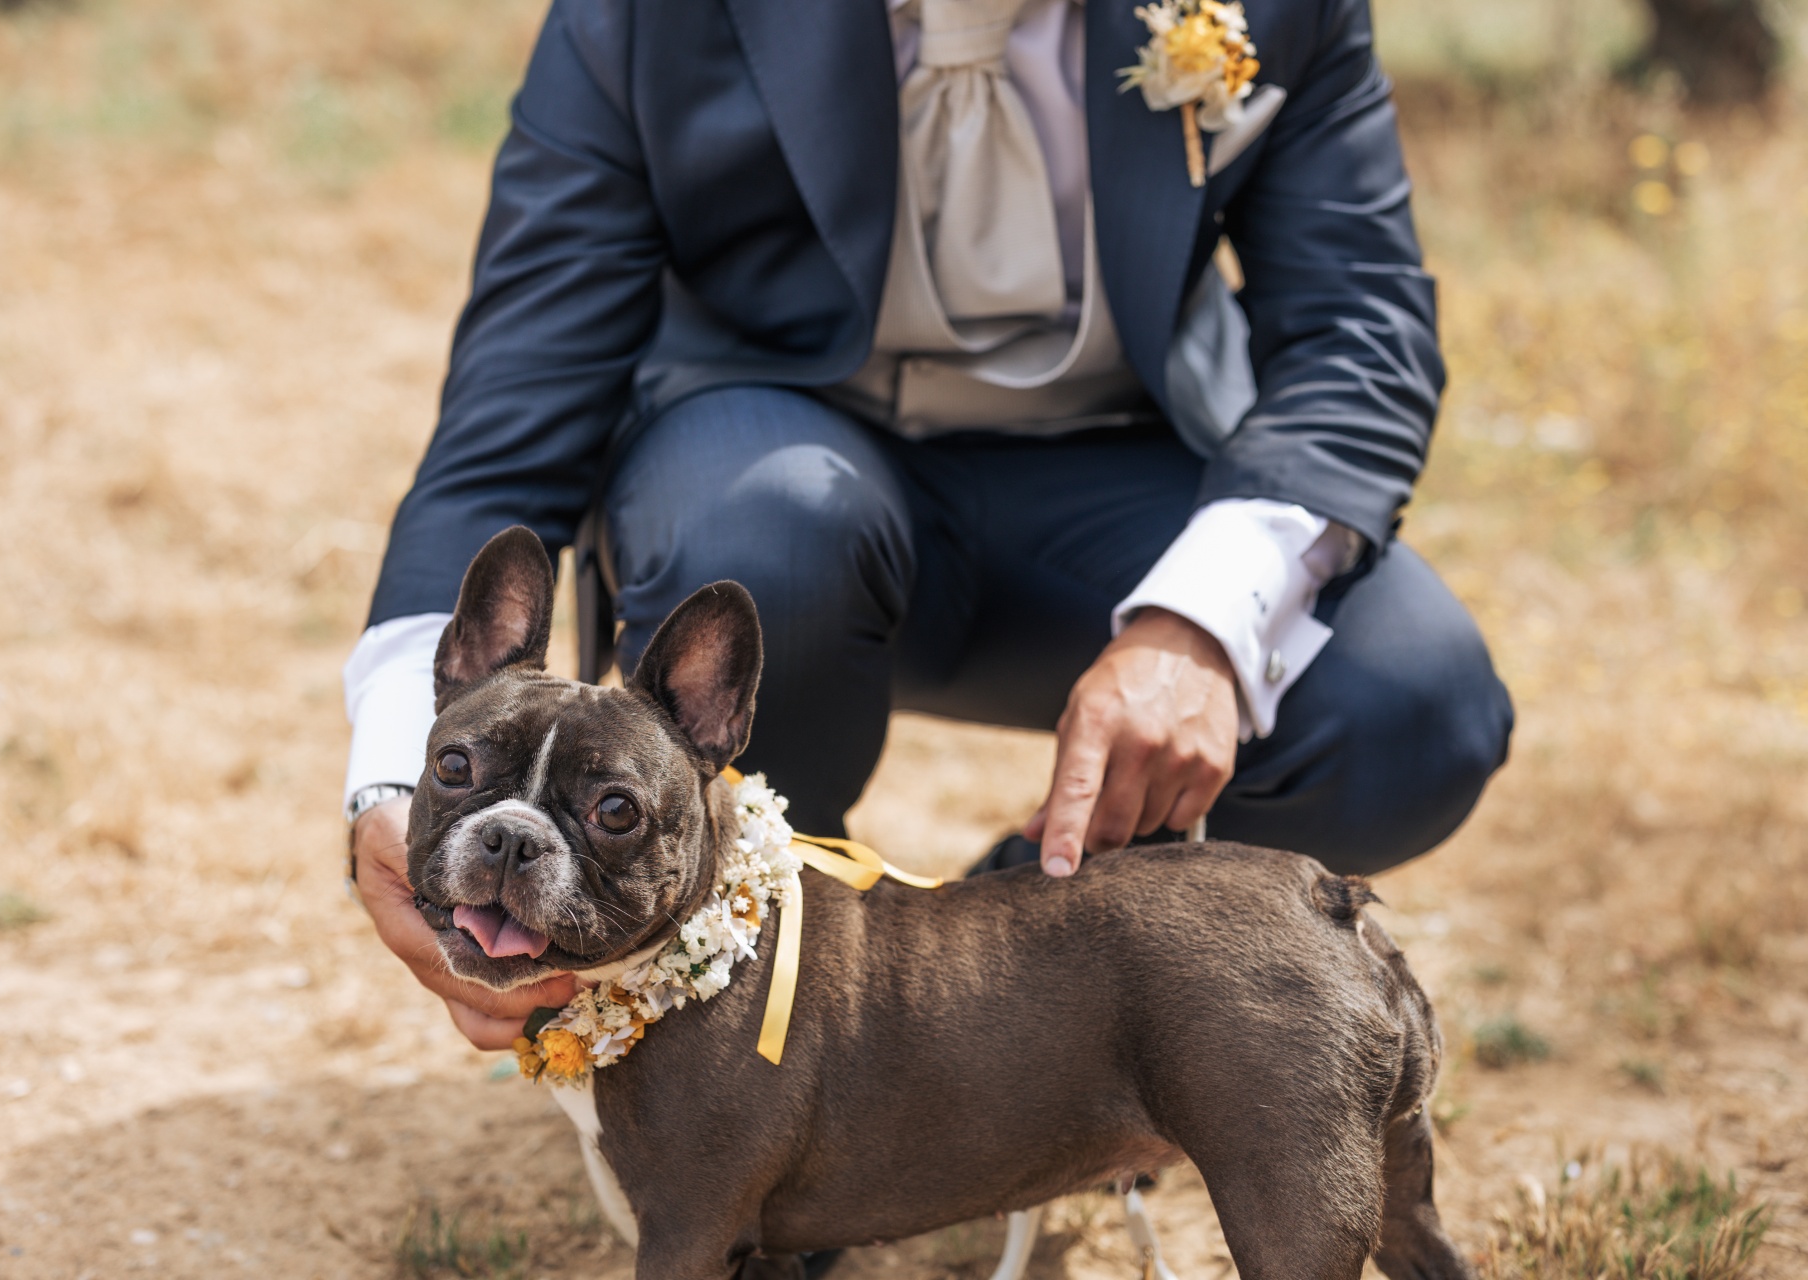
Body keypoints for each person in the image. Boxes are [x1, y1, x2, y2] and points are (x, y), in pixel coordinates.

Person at [343, 0, 1515, 1052]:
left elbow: (1362, 330)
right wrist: (396, 776)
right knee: (764, 530)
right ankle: (747, 1057)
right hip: (774, 475)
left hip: (1114, 494)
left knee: (1409, 705)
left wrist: (1199, 623)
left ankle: (1019, 967)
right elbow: (514, 414)